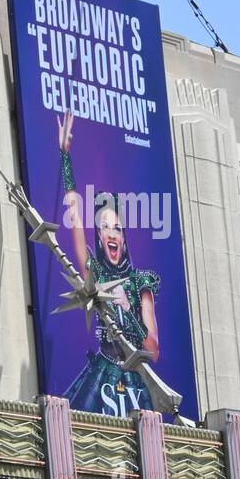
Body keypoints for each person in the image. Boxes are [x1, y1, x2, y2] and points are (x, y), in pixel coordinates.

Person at [56, 112, 161, 417]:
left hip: (136, 383)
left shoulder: (141, 282)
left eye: (117, 228)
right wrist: (65, 157)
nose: (112, 234)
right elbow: (74, 217)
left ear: (123, 236)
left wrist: (129, 312)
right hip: (101, 376)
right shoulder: (96, 271)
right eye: (105, 228)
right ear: (99, 236)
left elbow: (153, 350)